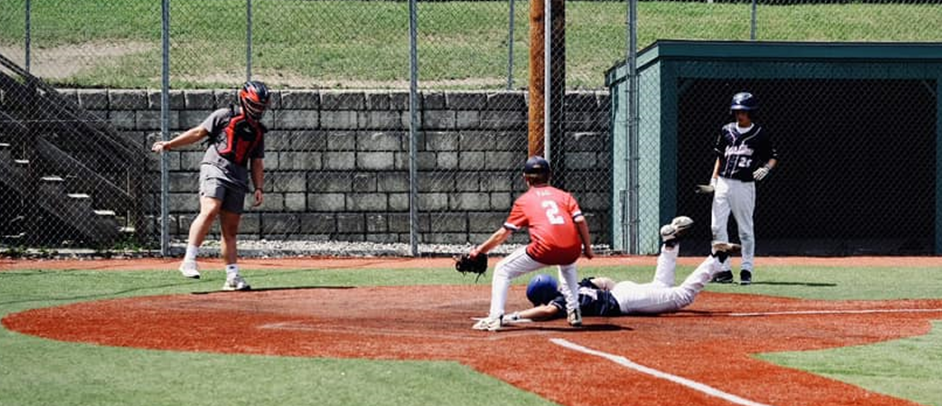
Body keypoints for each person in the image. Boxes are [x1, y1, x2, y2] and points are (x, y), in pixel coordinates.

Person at [151, 81, 272, 291]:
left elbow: (257, 162)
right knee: (210, 209)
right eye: (255, 104)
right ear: (244, 99)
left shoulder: (258, 131)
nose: (259, 110)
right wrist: (169, 144)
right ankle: (189, 260)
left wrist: (258, 187)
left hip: (239, 175)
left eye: (262, 106)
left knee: (230, 230)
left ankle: (232, 276)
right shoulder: (224, 115)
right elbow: (199, 132)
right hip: (215, 166)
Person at [506, 216, 741, 321]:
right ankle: (670, 243)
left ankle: (715, 257)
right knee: (662, 286)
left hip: (626, 301)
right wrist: (617, 290)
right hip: (622, 292)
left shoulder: (561, 301)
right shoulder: (571, 286)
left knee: (682, 296)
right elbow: (601, 280)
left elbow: (546, 312)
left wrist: (512, 317)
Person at [469, 155, 594, 331]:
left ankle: (494, 317)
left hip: (545, 249)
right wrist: (587, 248)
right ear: (549, 176)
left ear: (525, 178)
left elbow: (503, 233)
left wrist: (480, 251)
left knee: (502, 269)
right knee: (567, 265)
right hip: (572, 249)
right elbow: (580, 221)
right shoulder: (564, 196)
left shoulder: (524, 201)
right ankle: (574, 311)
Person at [697, 92, 778, 286]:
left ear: (751, 113)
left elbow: (773, 156)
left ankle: (746, 269)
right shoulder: (726, 130)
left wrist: (766, 168)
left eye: (743, 111)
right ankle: (724, 270)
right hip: (723, 182)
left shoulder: (759, 134)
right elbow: (720, 157)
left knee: (745, 229)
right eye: (737, 111)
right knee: (716, 227)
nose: (739, 115)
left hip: (744, 184)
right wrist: (713, 181)